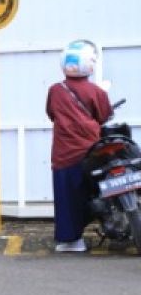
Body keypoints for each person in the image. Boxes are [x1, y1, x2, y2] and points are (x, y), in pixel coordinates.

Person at [45, 40, 113, 252]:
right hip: (92, 152)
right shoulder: (96, 91)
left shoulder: (56, 90)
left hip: (64, 154)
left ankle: (70, 240)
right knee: (94, 191)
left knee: (67, 198)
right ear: (88, 65)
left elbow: (51, 114)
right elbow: (104, 116)